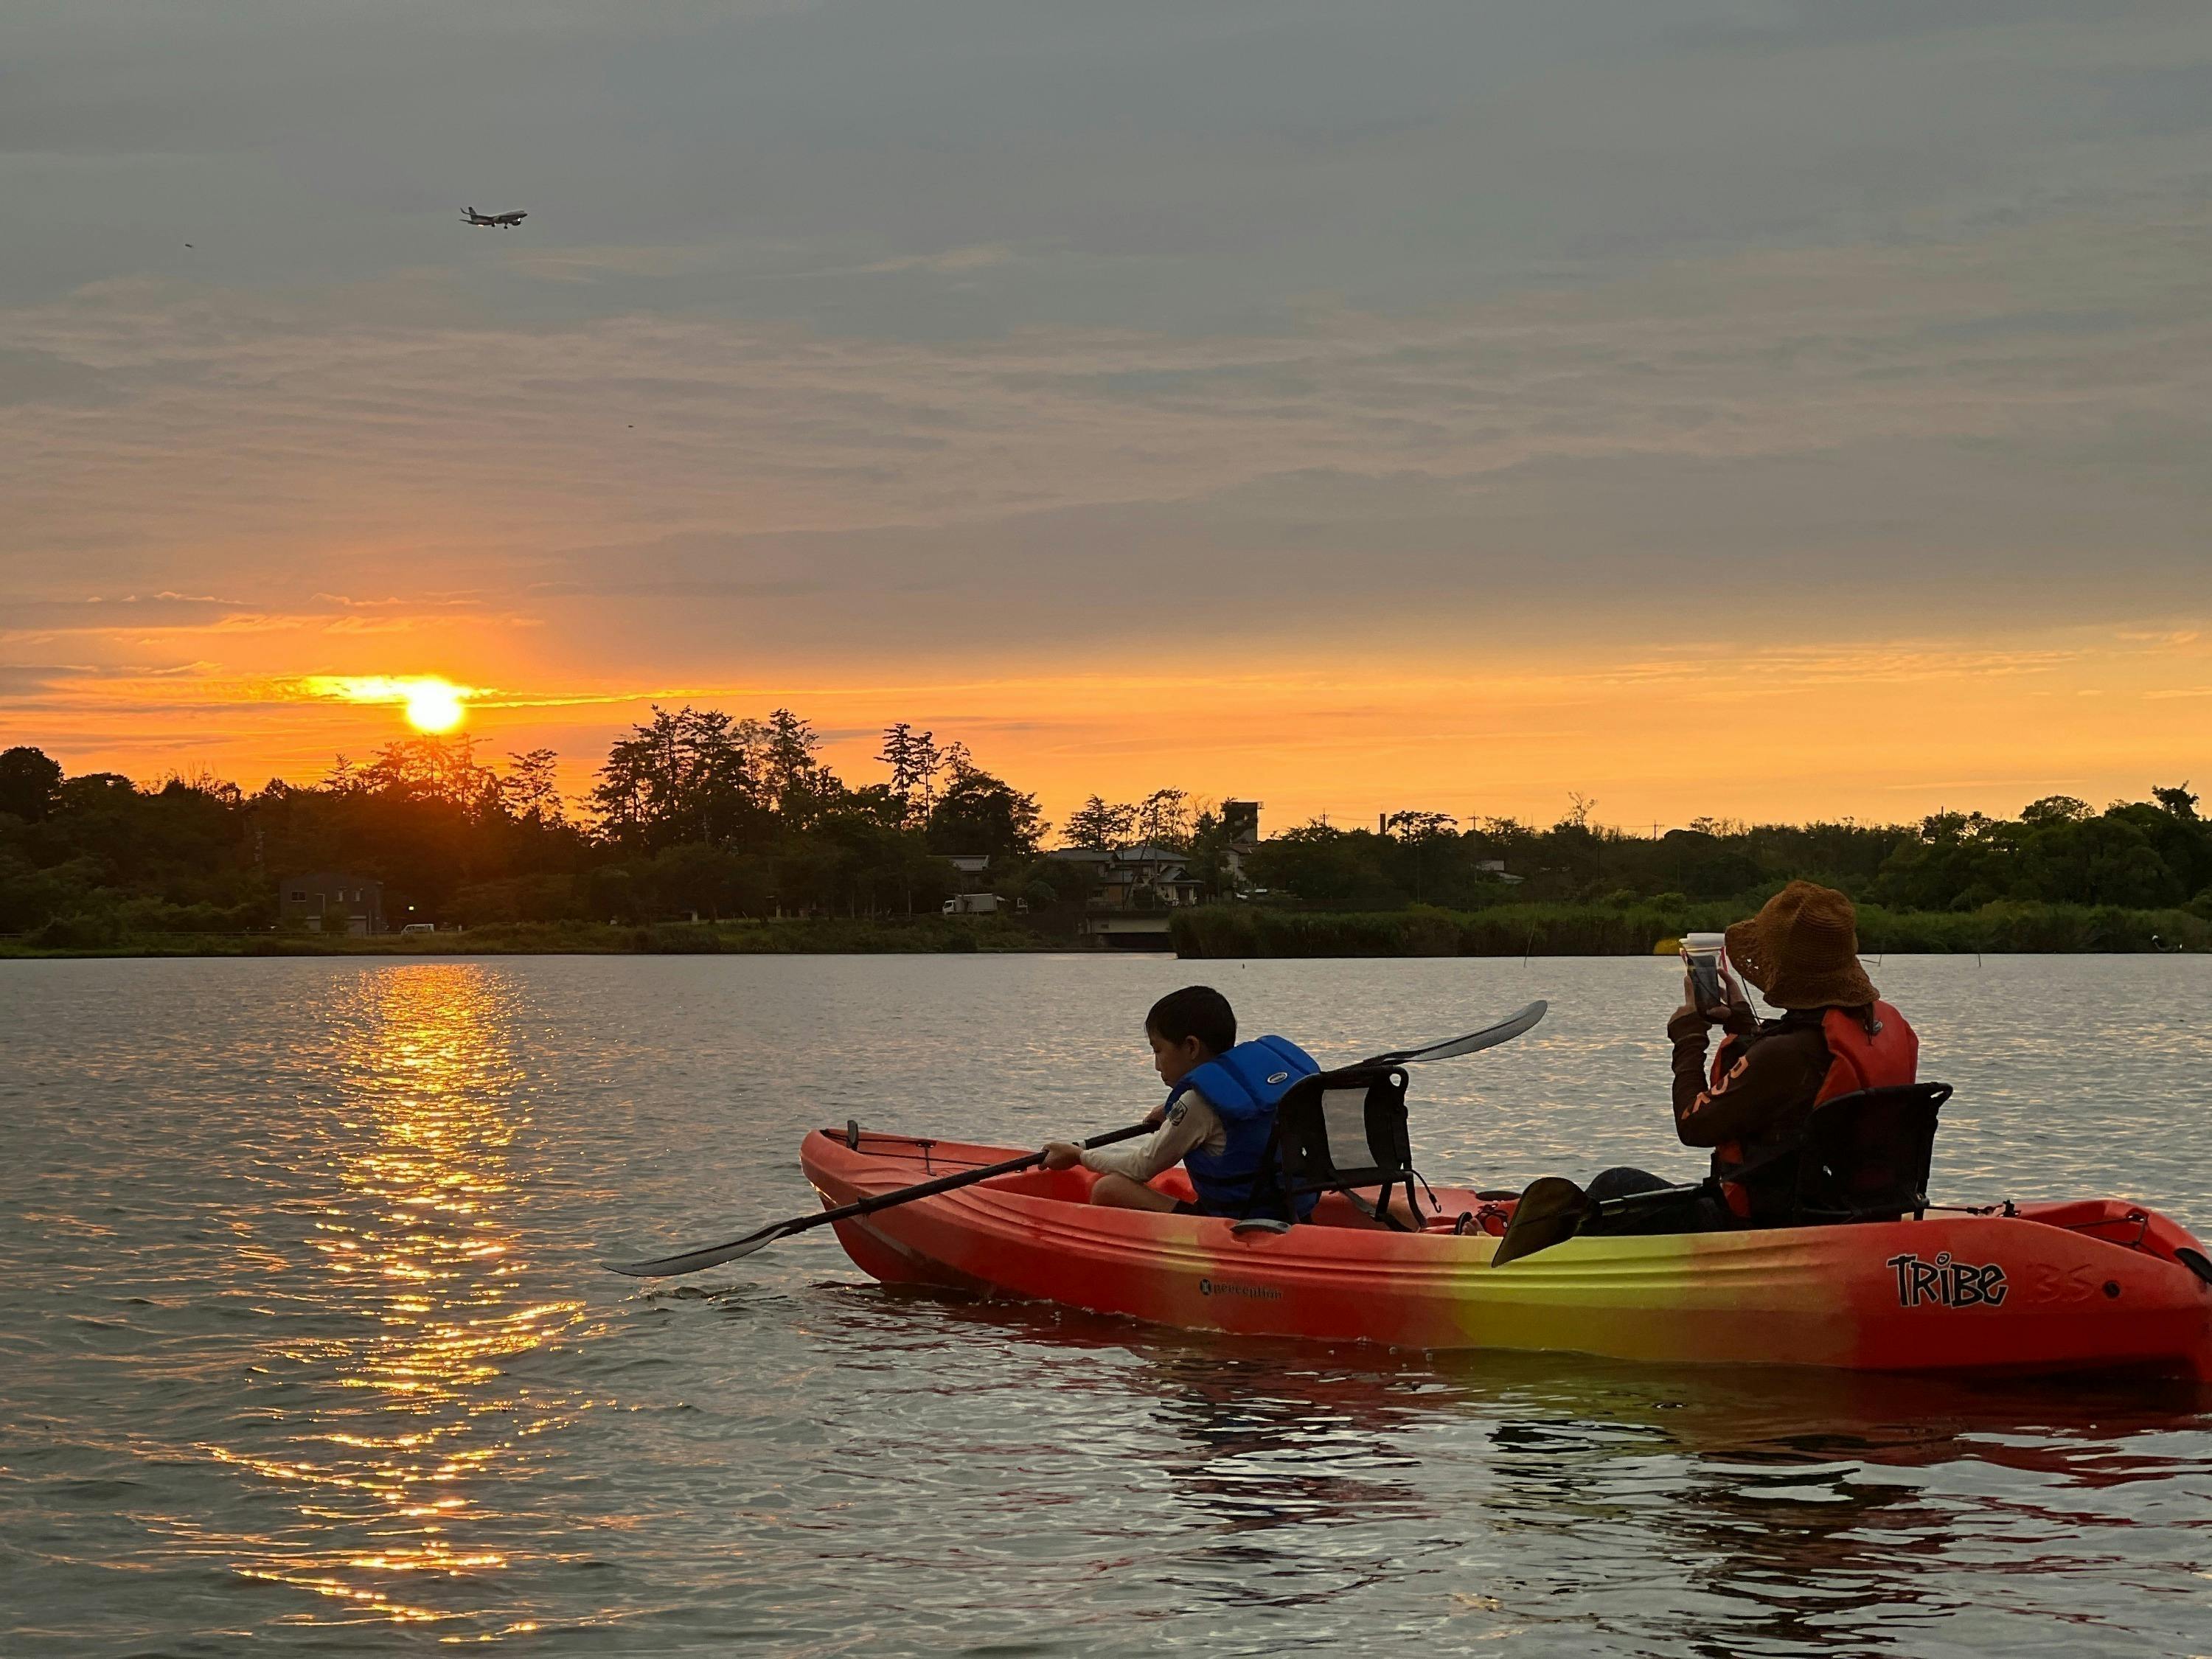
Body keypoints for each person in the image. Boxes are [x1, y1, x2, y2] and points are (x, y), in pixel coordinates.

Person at [1500, 883, 1919, 1257]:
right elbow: (1792, 1084)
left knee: (1615, 1184)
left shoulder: (1786, 1054)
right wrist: (1742, 1025)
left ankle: (1543, 1280)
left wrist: (1688, 1040)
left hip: (1769, 1229)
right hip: (1846, 1214)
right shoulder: (1875, 1028)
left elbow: (1694, 1127)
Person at [1041, 985, 1319, 1218]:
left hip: (1233, 1226)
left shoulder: (1198, 1104)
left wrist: (1078, 1156)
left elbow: (1141, 1167)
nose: (1156, 1065)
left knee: (1108, 1188)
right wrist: (1172, 1111)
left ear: (1191, 1047)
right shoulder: (1267, 1082)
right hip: (1293, 1211)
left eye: (1158, 1050)